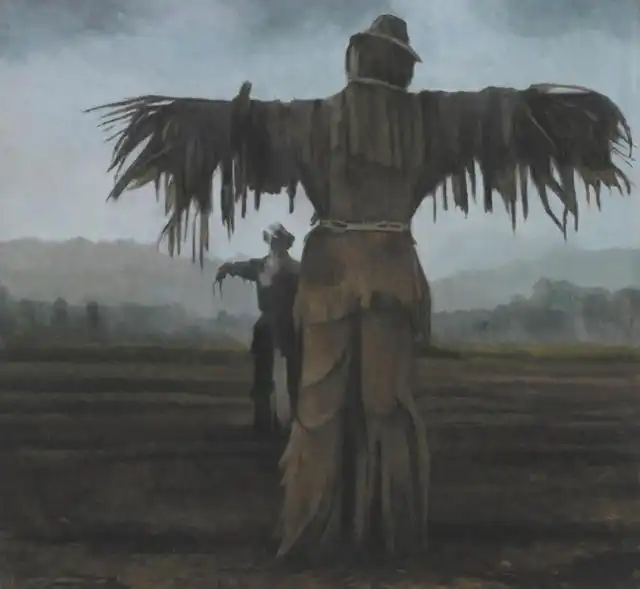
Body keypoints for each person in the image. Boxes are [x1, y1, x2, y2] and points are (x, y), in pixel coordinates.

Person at [90, 13, 632, 557]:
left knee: (320, 406)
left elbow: (239, 127)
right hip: (390, 273)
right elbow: (505, 115)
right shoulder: (433, 119)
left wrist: (177, 124)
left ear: (357, 58)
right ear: (400, 65)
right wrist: (580, 125)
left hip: (329, 277)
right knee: (386, 404)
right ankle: (390, 534)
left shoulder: (312, 119)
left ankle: (315, 532)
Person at [214, 223, 300, 437]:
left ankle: (295, 423)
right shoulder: (261, 266)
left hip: (288, 323)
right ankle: (264, 423)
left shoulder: (295, 269)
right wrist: (227, 269)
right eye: (273, 241)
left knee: (294, 376)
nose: (275, 245)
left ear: (285, 244)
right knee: (263, 375)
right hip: (269, 323)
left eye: (279, 241)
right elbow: (241, 268)